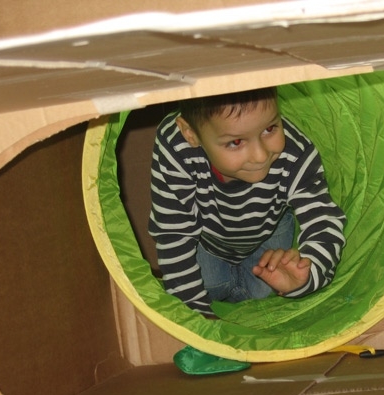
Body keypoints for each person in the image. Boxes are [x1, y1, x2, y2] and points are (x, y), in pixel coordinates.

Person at [148, 87, 346, 318]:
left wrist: (305, 276)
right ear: (190, 134)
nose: (261, 155)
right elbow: (173, 232)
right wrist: (196, 319)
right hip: (208, 238)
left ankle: (246, 291)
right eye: (236, 142)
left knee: (265, 293)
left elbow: (323, 220)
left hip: (268, 229)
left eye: (270, 129)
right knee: (207, 286)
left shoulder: (295, 153)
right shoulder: (176, 146)